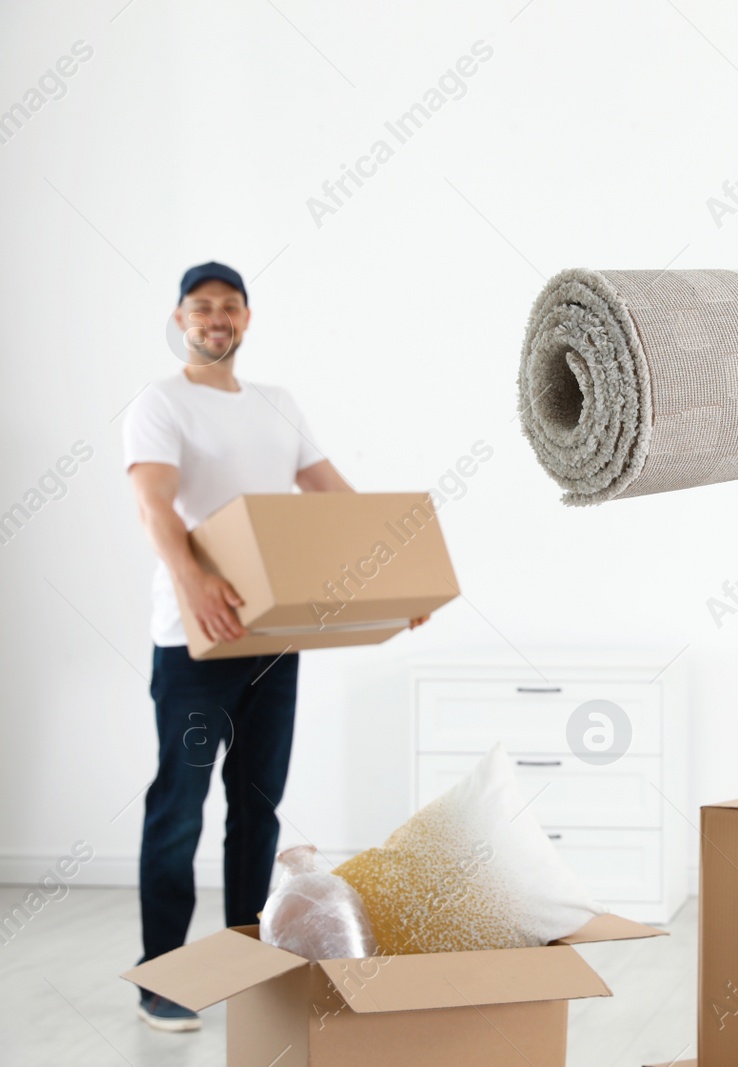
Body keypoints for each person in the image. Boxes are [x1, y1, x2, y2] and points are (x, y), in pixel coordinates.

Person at [121, 262, 430, 1032]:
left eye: (229, 306)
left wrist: (399, 577)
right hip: (193, 646)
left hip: (272, 640)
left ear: (247, 319)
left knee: (257, 809)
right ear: (180, 319)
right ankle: (162, 979)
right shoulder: (159, 405)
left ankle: (244, 956)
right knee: (179, 813)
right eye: (201, 307)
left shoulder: (277, 405)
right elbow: (152, 503)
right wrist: (192, 580)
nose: (215, 318)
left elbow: (332, 496)